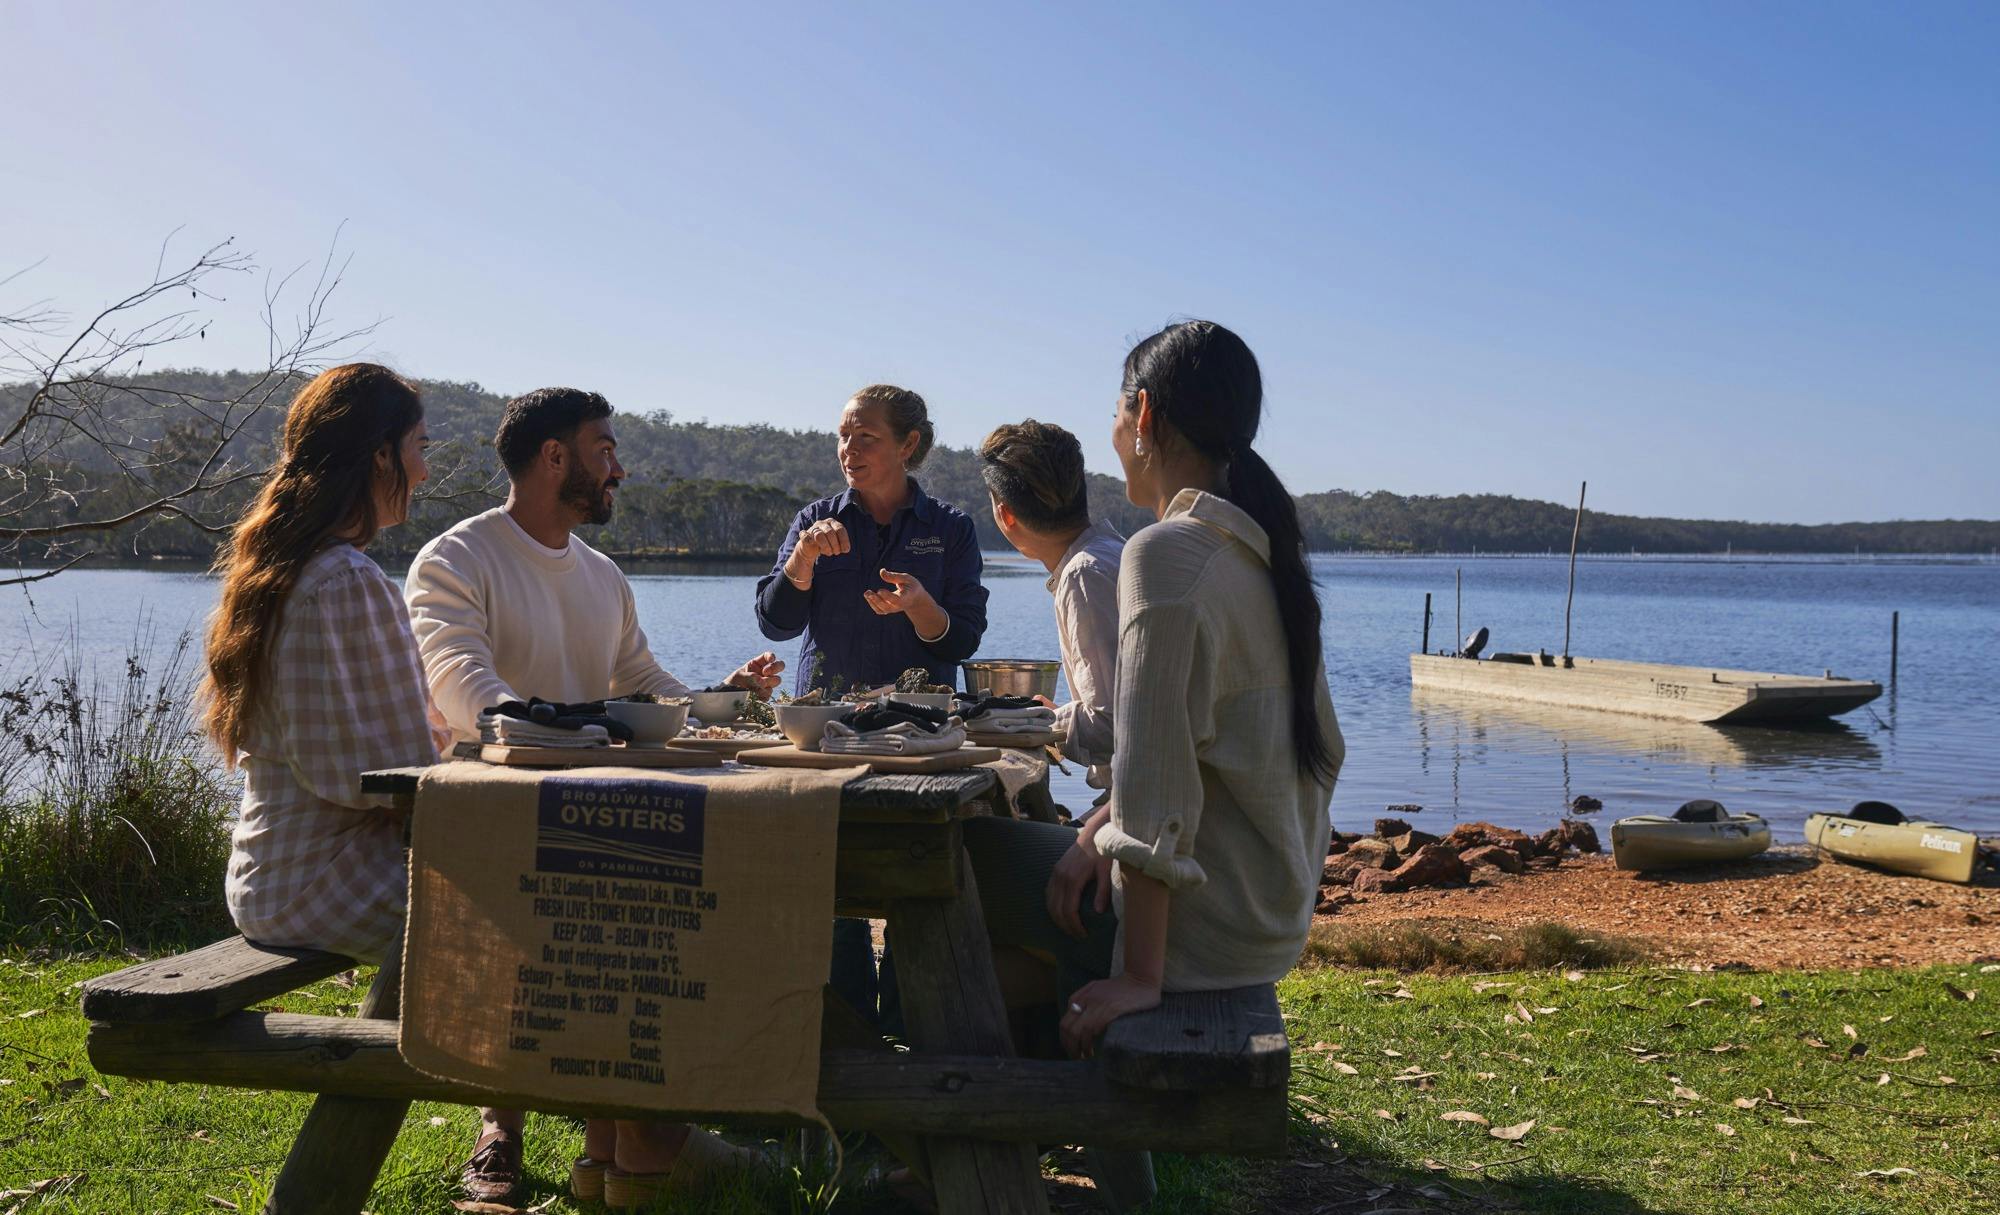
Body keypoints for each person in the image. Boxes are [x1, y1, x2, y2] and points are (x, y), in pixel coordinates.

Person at [405, 387, 782, 1208]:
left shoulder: (603, 575)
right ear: (554, 458)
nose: (620, 466)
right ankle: (504, 1130)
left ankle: (618, 1138)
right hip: (488, 822)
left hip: (592, 815)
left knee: (674, 895)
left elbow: (644, 684)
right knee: (582, 894)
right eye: (605, 448)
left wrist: (723, 702)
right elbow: (466, 690)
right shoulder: (454, 559)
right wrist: (589, 737)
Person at [963, 319, 1343, 1068]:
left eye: (1113, 412)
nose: (1112, 430)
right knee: (1015, 937)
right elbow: (1187, 754)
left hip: (1207, 926)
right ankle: (1029, 1109)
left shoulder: (1167, 555)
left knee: (952, 859)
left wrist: (1139, 974)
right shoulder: (1256, 549)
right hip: (1268, 907)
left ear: (1143, 416)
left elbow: (1156, 782)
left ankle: (941, 1147)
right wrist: (1093, 827)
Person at [755, 383, 989, 1029]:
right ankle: (842, 1031)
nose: (848, 449)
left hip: (919, 735)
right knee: (829, 883)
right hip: (825, 732)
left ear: (907, 445)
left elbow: (965, 634)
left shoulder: (951, 529)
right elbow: (774, 622)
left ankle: (917, 1022)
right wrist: (800, 562)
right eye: (843, 435)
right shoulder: (813, 521)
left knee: (916, 869)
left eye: (867, 437)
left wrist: (920, 605)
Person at [202, 362, 443, 963]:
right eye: (420, 447)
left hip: (277, 875)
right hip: (323, 880)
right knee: (541, 903)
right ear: (382, 458)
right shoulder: (345, 581)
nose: (425, 469)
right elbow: (385, 777)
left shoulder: (291, 567)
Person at [978, 420, 1124, 797]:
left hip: (1138, 809)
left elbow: (1112, 727)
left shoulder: (1084, 575)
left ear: (1005, 514)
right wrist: (1059, 715)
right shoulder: (1109, 554)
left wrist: (1030, 721)